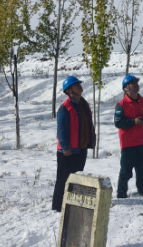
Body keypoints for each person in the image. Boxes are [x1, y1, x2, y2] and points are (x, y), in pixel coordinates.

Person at [52, 76, 96, 212]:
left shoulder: (84, 104)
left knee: (76, 179)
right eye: (76, 85)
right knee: (63, 180)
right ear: (69, 90)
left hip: (80, 149)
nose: (80, 86)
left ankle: (72, 205)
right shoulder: (65, 108)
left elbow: (88, 124)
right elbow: (62, 131)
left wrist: (91, 140)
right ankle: (57, 208)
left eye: (79, 84)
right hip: (67, 152)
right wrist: (66, 147)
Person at [114, 74, 143, 197]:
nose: (136, 85)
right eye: (133, 83)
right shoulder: (121, 105)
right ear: (126, 87)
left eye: (137, 83)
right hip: (129, 144)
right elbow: (118, 123)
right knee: (125, 173)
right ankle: (121, 196)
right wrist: (133, 121)